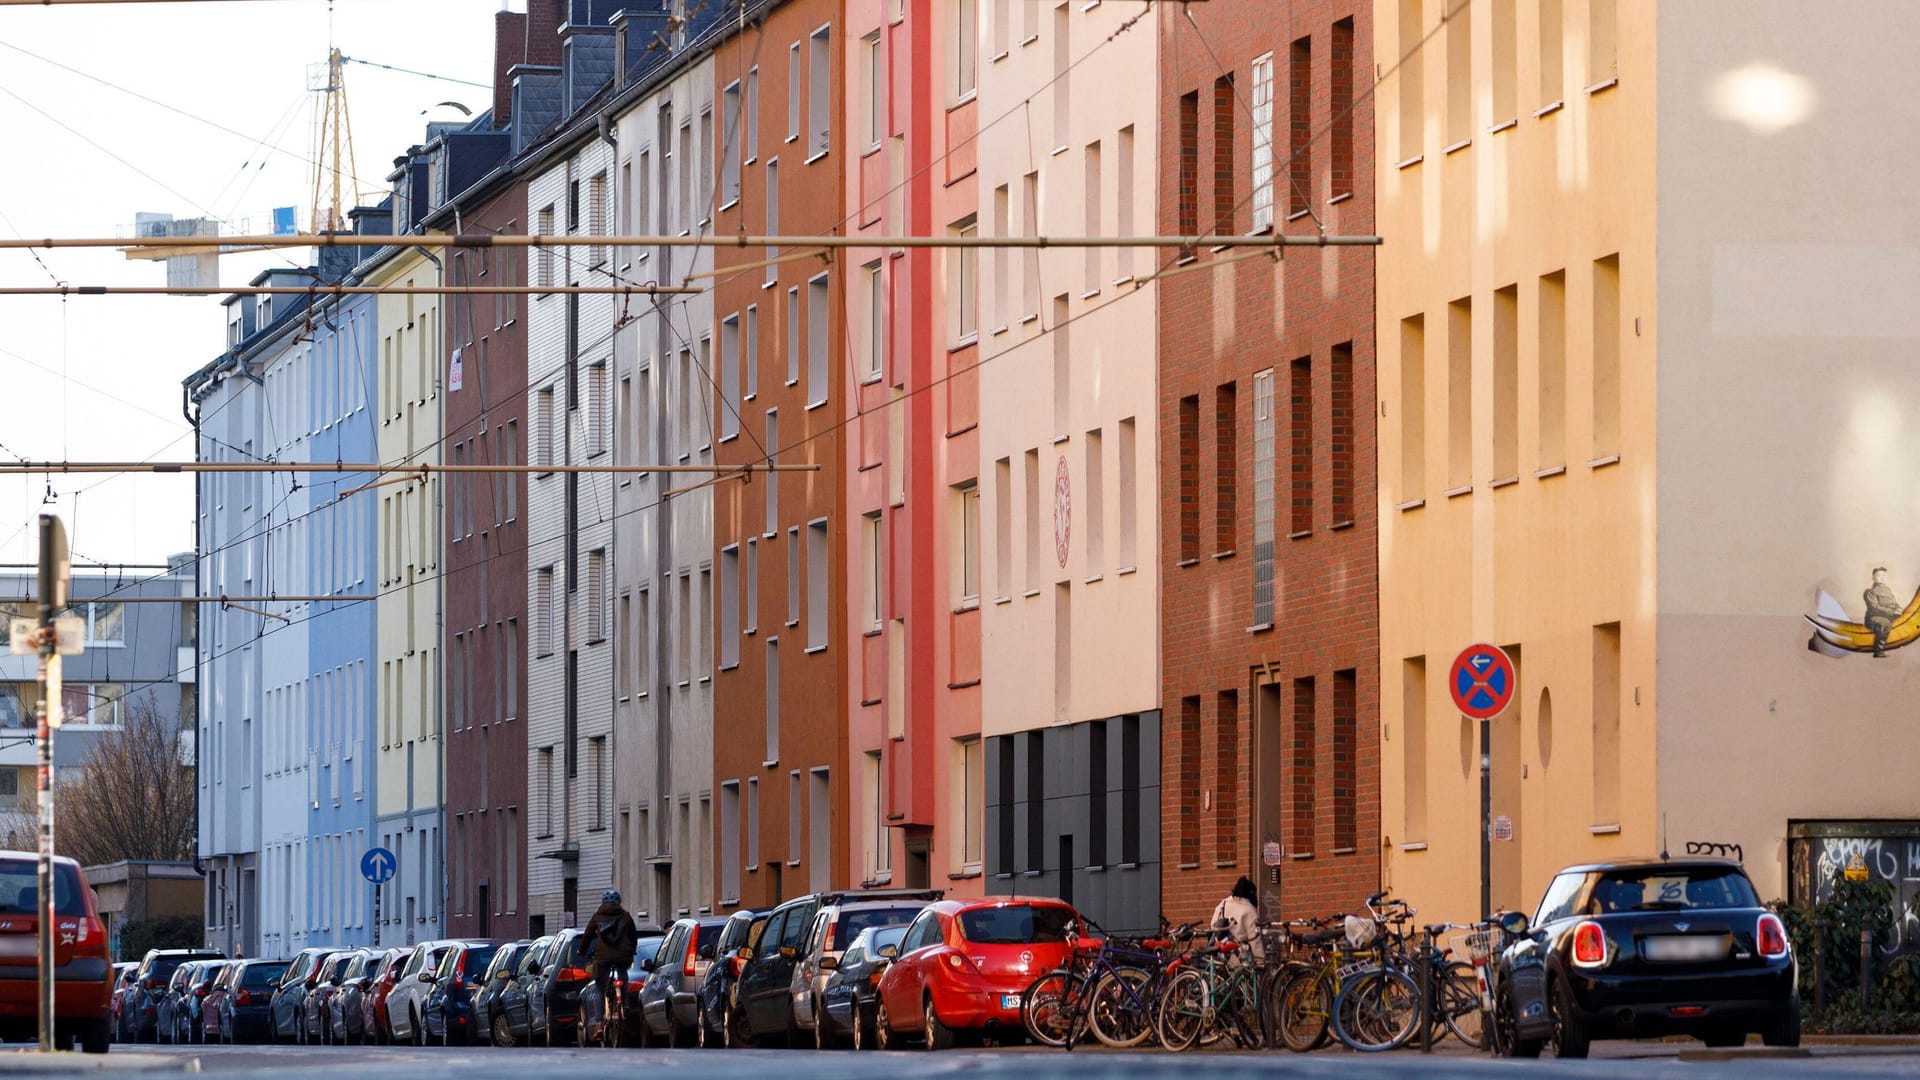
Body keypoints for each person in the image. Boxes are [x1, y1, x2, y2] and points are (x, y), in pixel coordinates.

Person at [581, 890, 638, 1035]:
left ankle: (599, 1024)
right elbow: (633, 935)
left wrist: (581, 950)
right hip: (623, 956)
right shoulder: (625, 916)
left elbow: (587, 936)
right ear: (619, 902)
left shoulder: (598, 917)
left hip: (603, 957)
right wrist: (632, 949)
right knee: (623, 973)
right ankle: (624, 1003)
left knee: (599, 989)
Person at [1211, 875, 1264, 962]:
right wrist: (1260, 961)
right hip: (1239, 956)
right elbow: (1255, 940)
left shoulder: (1223, 904)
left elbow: (1213, 924)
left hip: (1220, 952)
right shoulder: (1249, 910)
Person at [1865, 567, 1900, 658]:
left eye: (1884, 575)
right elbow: (1874, 607)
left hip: (1889, 615)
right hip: (1874, 617)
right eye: (1879, 575)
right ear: (1873, 578)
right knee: (1885, 623)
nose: (1882, 577)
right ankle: (1878, 651)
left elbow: (1894, 603)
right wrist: (1891, 611)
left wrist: (1901, 610)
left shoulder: (1888, 590)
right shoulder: (1869, 592)